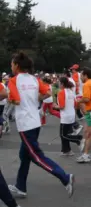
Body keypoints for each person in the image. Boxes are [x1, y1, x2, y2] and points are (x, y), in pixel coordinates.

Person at [7, 52, 74, 198]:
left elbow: (16, 101)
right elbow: (48, 93)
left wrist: (10, 98)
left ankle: (64, 177)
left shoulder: (13, 81)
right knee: (24, 155)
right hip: (35, 121)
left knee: (36, 156)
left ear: (17, 66)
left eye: (12, 64)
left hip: (25, 123)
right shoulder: (35, 80)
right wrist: (36, 98)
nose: (11, 66)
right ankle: (20, 186)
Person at [56, 77, 84, 156]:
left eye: (59, 82)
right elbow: (75, 104)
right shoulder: (71, 92)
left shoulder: (61, 92)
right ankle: (66, 150)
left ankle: (79, 139)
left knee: (63, 135)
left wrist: (55, 106)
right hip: (71, 115)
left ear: (62, 84)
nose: (58, 84)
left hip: (66, 116)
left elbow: (61, 106)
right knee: (65, 134)